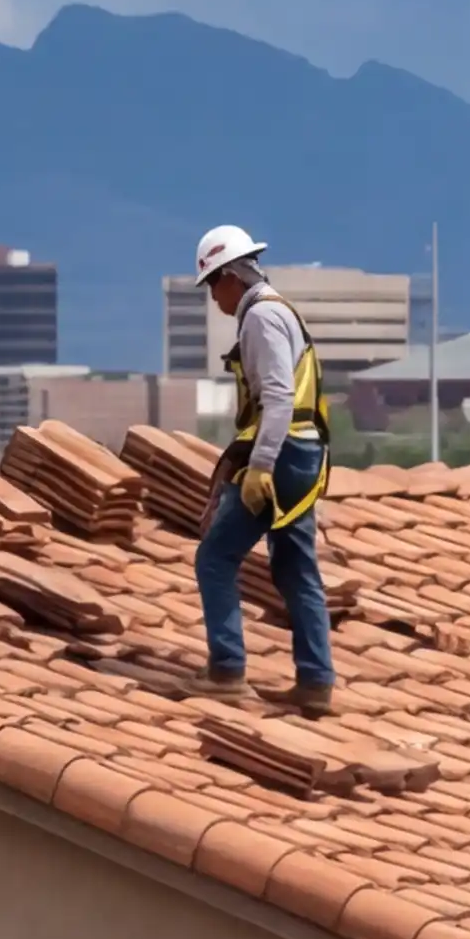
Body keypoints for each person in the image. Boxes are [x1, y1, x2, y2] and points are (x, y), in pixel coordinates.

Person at [187, 225, 338, 713]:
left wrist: (260, 468)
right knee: (295, 566)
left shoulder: (261, 318)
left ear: (232, 276)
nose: (214, 297)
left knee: (215, 557)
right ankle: (315, 682)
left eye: (214, 284)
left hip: (283, 454)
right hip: (304, 453)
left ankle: (227, 670)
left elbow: (276, 399)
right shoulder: (276, 311)